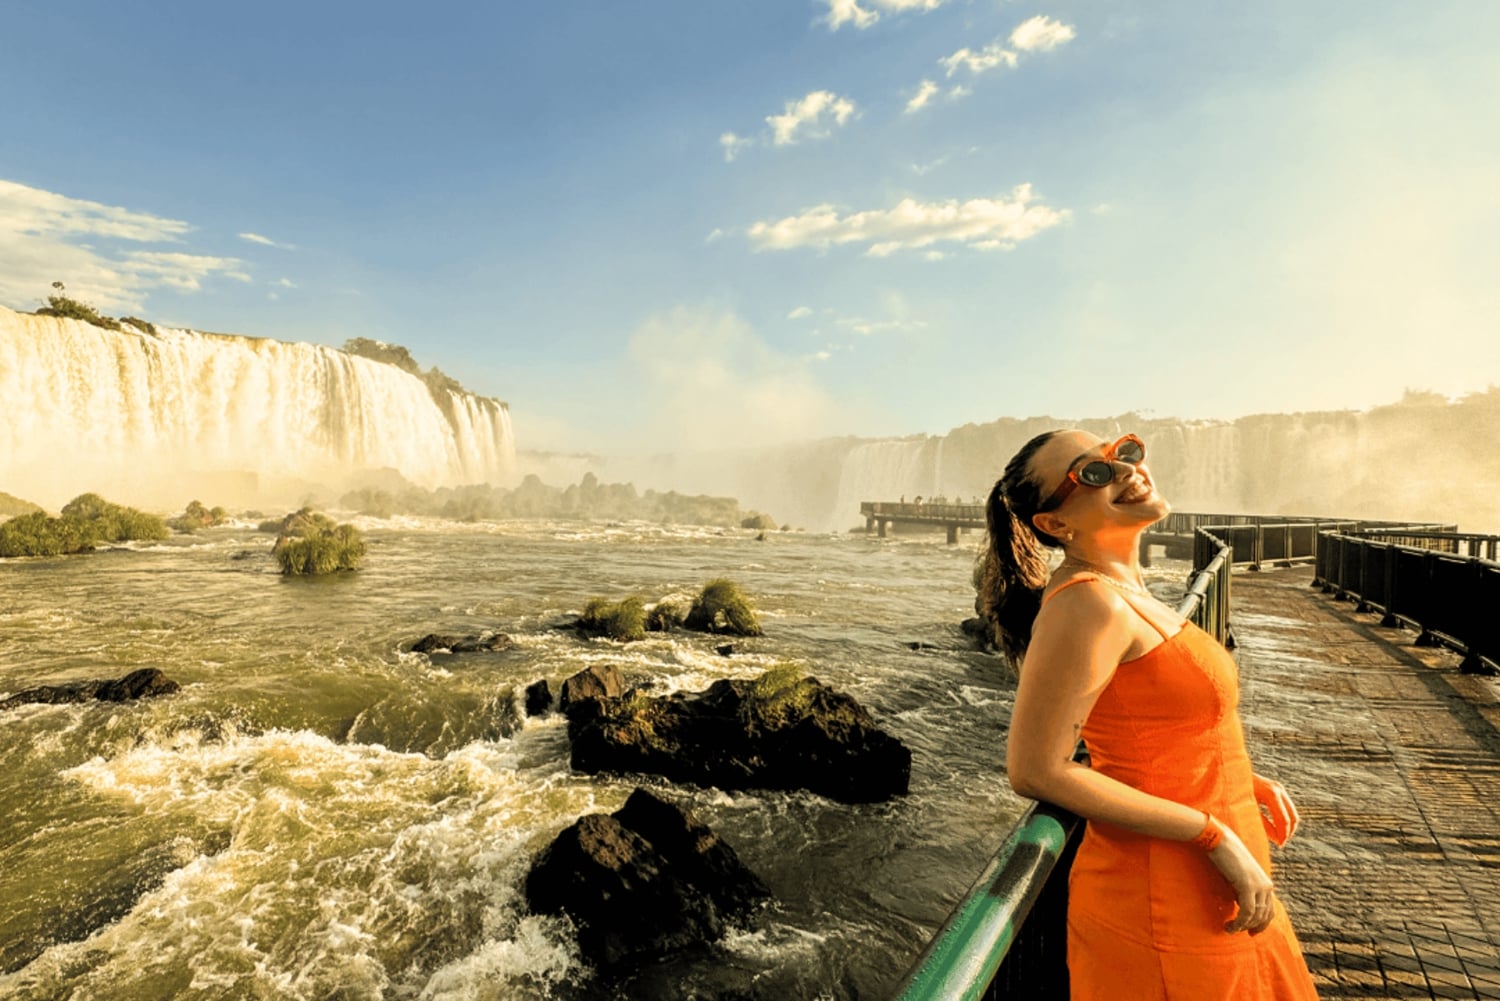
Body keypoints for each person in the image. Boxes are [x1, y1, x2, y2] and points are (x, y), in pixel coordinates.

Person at [978, 429, 1318, 1000]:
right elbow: (1036, 770)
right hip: (1164, 895)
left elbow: (1154, 721)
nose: (1123, 470)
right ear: (1055, 525)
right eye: (1091, 473)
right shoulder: (1088, 603)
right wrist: (1213, 835)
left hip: (1217, 881)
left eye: (1121, 453)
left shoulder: (1128, 590)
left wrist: (1237, 779)